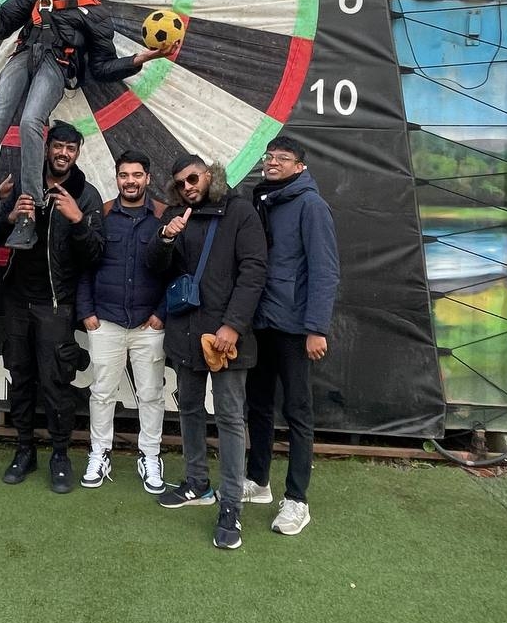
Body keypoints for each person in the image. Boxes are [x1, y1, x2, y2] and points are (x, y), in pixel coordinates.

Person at [0, 0, 173, 250]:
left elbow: (101, 68)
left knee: (31, 122)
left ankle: (29, 213)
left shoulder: (96, 13)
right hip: (24, 55)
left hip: (57, 64)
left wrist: (138, 59)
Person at [147, 155, 267, 550]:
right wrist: (165, 237)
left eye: (193, 178)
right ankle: (197, 483)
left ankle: (231, 504)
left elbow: (254, 272)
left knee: (230, 418)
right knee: (189, 409)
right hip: (186, 333)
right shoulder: (175, 215)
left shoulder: (241, 212)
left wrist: (233, 326)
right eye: (180, 183)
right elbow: (156, 268)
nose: (188, 187)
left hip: (227, 337)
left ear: (210, 175)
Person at [0, 121, 104, 493]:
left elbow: (96, 254)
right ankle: (24, 450)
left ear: (78, 153)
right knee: (20, 379)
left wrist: (77, 220)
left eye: (70, 148)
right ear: (47, 147)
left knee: (56, 384)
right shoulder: (27, 182)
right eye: (58, 146)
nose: (63, 153)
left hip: (56, 306)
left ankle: (60, 455)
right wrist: (9, 216)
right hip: (16, 301)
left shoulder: (86, 195)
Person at [244, 135, 340, 536]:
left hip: (295, 329)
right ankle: (258, 481)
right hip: (262, 323)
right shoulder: (263, 200)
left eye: (283, 158)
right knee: (258, 405)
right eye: (269, 156)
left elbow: (325, 270)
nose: (273, 163)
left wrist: (316, 328)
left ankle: (297, 500)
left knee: (298, 413)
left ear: (300, 167)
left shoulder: (311, 206)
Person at [76, 149, 169, 494]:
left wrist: (161, 315)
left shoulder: (162, 217)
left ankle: (150, 455)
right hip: (107, 322)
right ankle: (99, 452)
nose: (130, 181)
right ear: (116, 178)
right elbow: (86, 264)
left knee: (151, 395)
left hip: (148, 325)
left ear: (148, 178)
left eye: (137, 175)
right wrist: (87, 313)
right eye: (124, 175)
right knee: (102, 393)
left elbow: (176, 271)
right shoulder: (101, 215)